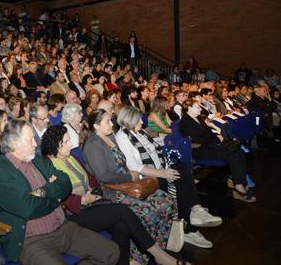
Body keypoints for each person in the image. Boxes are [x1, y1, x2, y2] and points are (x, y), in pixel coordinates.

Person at [42, 126, 188, 265]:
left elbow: (90, 179)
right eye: (66, 142)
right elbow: (56, 194)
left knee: (122, 226)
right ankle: (160, 256)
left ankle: (124, 262)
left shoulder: (70, 156)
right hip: (73, 215)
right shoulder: (48, 166)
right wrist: (82, 199)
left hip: (92, 202)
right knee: (122, 210)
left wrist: (93, 191)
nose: (71, 144)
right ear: (55, 145)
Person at [0, 119, 120, 264]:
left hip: (63, 229)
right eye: (30, 139)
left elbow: (65, 183)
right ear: (14, 143)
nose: (35, 143)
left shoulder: (36, 160)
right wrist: (55, 197)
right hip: (32, 240)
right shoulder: (1, 172)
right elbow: (27, 208)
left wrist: (42, 192)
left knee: (111, 252)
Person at [116, 106, 222, 249]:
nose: (142, 121)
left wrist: (171, 140)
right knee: (177, 182)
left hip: (160, 168)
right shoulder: (122, 137)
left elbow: (155, 146)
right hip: (147, 177)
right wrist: (162, 173)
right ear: (130, 120)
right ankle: (189, 228)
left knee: (182, 168)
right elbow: (134, 166)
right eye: (139, 119)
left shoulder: (140, 132)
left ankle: (196, 210)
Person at [82, 109, 177, 249]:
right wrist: (128, 176)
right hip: (114, 190)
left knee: (167, 201)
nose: (111, 124)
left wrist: (133, 175)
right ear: (96, 126)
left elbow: (124, 162)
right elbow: (104, 176)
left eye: (111, 120)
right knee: (148, 211)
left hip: (129, 183)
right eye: (107, 122)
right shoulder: (92, 145)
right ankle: (146, 251)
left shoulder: (111, 137)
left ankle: (163, 243)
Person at [179, 99, 255, 203]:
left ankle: (238, 180)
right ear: (189, 108)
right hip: (198, 150)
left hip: (209, 145)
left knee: (239, 151)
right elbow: (196, 140)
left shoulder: (198, 118)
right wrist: (217, 139)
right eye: (197, 107)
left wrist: (217, 137)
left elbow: (208, 133)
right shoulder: (185, 122)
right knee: (233, 155)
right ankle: (238, 186)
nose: (200, 108)